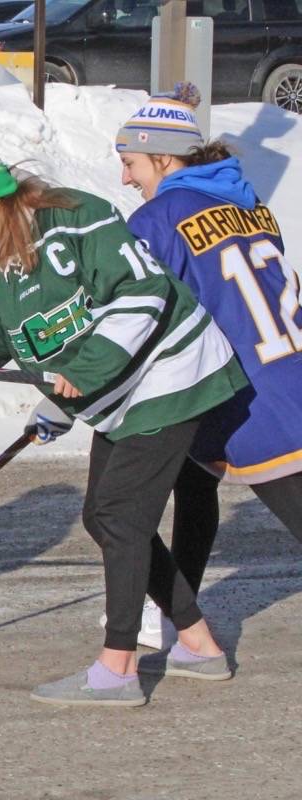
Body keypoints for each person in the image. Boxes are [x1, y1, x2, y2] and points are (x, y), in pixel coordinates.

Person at [0, 108, 248, 706]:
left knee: (120, 517)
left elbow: (141, 294)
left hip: (175, 374)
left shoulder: (75, 218)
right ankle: (198, 644)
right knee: (103, 517)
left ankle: (117, 671)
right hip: (117, 395)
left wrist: (81, 373)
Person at [112, 83, 302, 642]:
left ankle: (167, 614)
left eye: (131, 164)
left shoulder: (160, 215)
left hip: (258, 400)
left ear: (165, 159)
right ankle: (174, 614)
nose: (126, 179)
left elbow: (133, 307)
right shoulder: (250, 206)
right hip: (280, 374)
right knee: (194, 481)